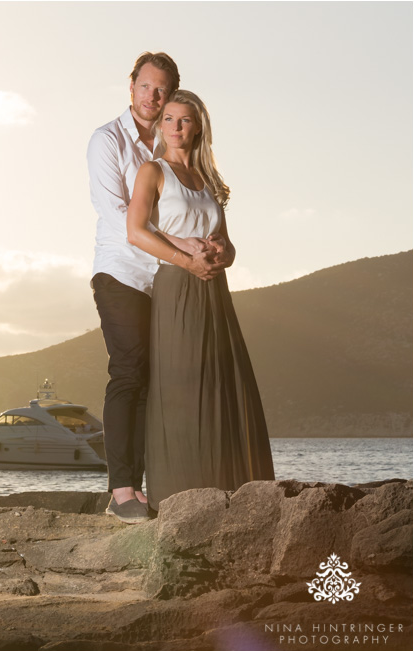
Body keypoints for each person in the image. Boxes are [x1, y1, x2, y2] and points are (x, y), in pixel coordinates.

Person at [87, 52, 223, 524]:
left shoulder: (172, 139)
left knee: (160, 381)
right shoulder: (107, 141)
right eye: (145, 87)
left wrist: (202, 252)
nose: (152, 96)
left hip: (167, 279)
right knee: (129, 372)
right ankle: (122, 491)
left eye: (162, 89)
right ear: (131, 87)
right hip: (122, 272)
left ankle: (162, 484)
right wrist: (183, 247)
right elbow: (120, 217)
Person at [125, 89, 275, 511]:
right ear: (161, 125)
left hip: (215, 290)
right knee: (181, 387)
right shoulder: (152, 171)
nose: (175, 127)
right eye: (168, 119)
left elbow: (227, 242)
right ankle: (179, 497)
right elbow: (136, 231)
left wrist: (224, 254)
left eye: (184, 120)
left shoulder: (208, 181)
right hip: (176, 285)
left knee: (225, 384)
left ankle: (233, 493)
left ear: (198, 127)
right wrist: (185, 261)